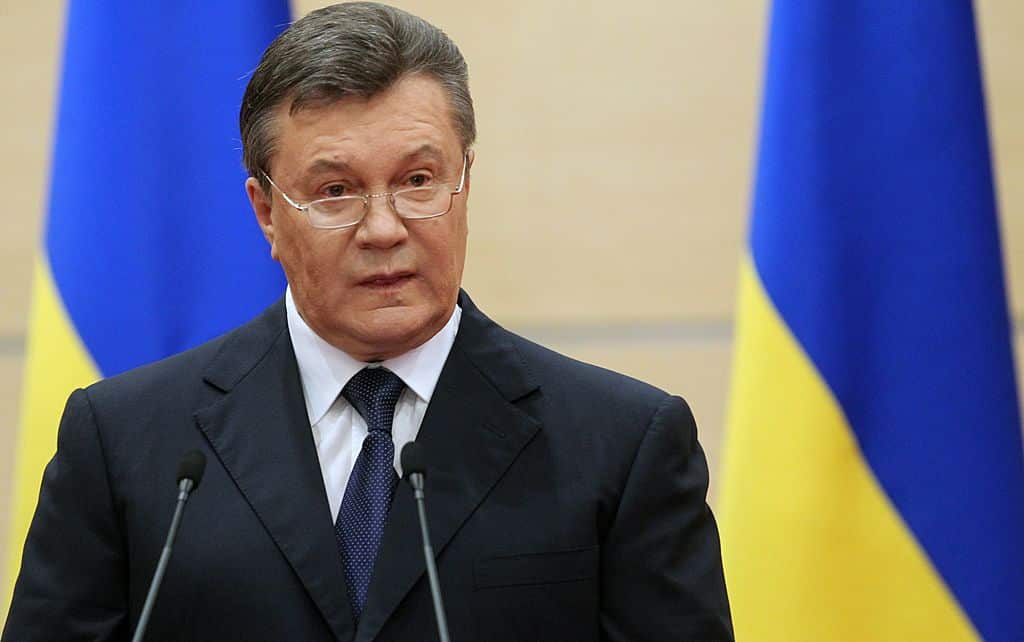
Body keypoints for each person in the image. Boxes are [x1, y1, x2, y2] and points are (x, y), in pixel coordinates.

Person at [3, 3, 732, 640]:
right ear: (265, 212)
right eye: (336, 190)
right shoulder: (128, 444)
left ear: (464, 182)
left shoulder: (622, 446)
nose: (384, 228)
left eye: (417, 181)